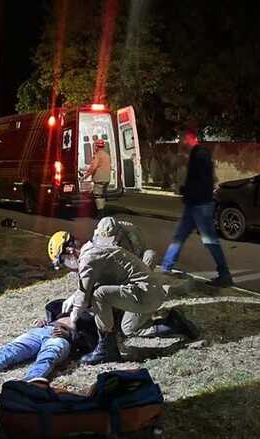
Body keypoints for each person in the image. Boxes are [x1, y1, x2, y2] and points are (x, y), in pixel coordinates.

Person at [49, 230, 199, 366]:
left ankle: (107, 349)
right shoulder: (94, 248)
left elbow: (84, 294)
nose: (66, 265)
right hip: (144, 290)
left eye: (63, 261)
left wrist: (73, 319)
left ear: (69, 251)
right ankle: (173, 322)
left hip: (145, 294)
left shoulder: (88, 258)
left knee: (99, 295)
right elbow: (89, 286)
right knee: (128, 327)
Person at [0, 300, 97, 386]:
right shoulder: (64, 305)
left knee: (49, 354)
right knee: (10, 351)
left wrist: (70, 335)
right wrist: (45, 321)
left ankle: (28, 384)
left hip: (62, 338)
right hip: (42, 331)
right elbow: (51, 314)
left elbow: (90, 345)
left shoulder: (93, 319)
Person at [161, 128, 233, 287]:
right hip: (194, 203)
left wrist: (186, 190)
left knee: (209, 240)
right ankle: (166, 267)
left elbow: (203, 181)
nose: (180, 143)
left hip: (200, 204)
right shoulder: (198, 154)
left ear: (189, 139)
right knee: (180, 236)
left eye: (182, 139)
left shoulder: (200, 154)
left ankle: (225, 274)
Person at [83, 138, 111, 217]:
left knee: (98, 195)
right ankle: (102, 211)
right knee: (102, 195)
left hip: (99, 178)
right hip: (107, 178)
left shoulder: (98, 155)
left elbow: (94, 167)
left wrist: (86, 176)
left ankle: (100, 213)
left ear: (96, 146)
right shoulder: (107, 155)